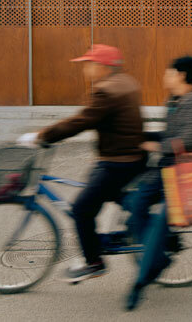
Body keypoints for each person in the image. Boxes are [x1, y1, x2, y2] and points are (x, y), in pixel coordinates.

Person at [19, 44, 146, 283]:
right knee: (95, 190)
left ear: (102, 66)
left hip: (118, 163)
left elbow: (80, 121)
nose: (85, 69)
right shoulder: (126, 82)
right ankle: (118, 233)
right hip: (125, 158)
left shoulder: (106, 91)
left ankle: (94, 262)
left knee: (80, 210)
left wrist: (41, 136)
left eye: (89, 64)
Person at [124, 55, 192, 311]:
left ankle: (142, 280)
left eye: (168, 73)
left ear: (181, 75)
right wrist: (140, 136)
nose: (164, 77)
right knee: (136, 202)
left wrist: (155, 145)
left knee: (159, 225)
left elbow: (188, 139)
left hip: (189, 175)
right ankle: (157, 255)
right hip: (169, 170)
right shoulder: (173, 102)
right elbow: (168, 135)